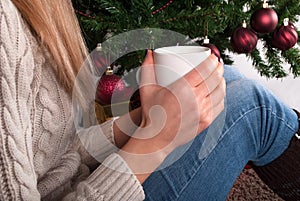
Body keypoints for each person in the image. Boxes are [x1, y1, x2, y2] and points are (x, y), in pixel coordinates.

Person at [0, 0, 299, 201]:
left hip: (81, 179)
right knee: (251, 107)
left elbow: (54, 150)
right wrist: (158, 140)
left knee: (227, 81)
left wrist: (145, 119)